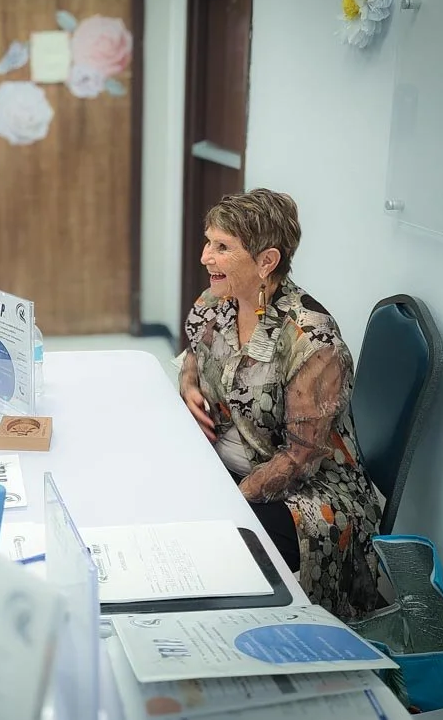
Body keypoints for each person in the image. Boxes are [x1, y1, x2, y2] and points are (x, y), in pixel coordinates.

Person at [178, 188, 381, 619]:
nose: (204, 258)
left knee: (209, 550)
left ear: (266, 261)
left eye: (221, 247)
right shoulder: (218, 302)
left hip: (307, 493)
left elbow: (301, 457)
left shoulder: (311, 341)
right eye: (208, 241)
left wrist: (228, 500)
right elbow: (194, 350)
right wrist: (187, 381)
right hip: (233, 465)